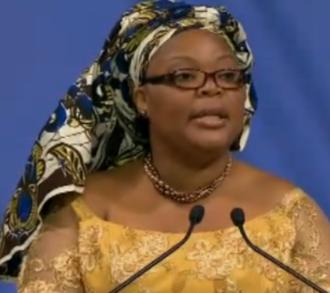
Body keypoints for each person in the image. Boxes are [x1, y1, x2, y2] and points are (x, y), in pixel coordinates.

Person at [0, 0, 329, 292]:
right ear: (141, 98)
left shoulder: (289, 214)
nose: (212, 89)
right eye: (185, 76)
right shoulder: (80, 219)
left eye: (228, 76)